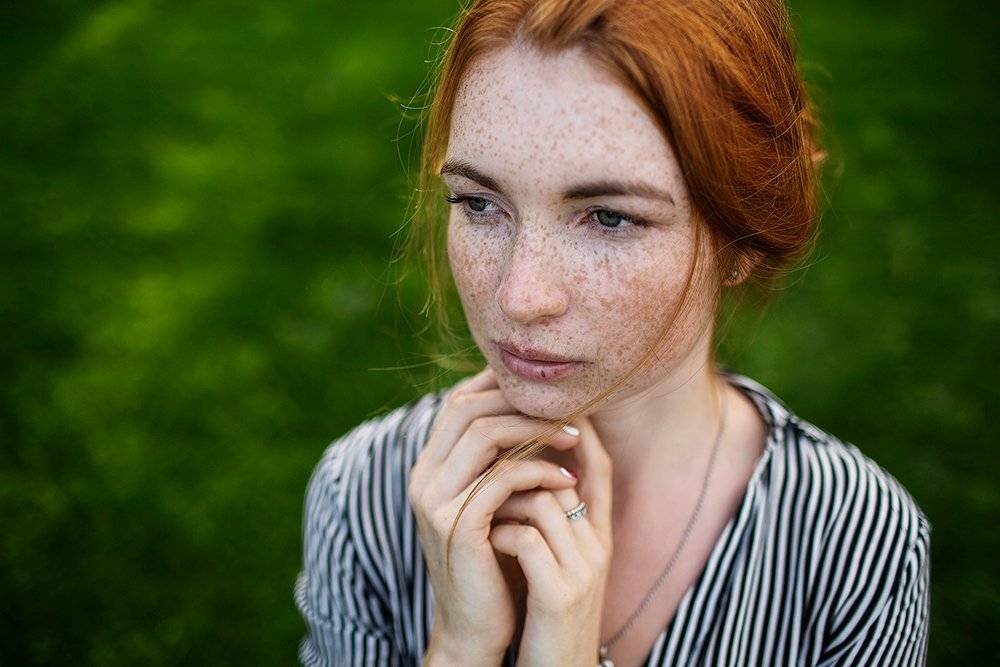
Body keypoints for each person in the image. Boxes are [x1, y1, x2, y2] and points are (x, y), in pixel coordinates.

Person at [294, 1, 931, 665]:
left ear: (741, 238)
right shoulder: (363, 495)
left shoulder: (857, 549)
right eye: (480, 203)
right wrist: (458, 649)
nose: (521, 296)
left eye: (608, 217)